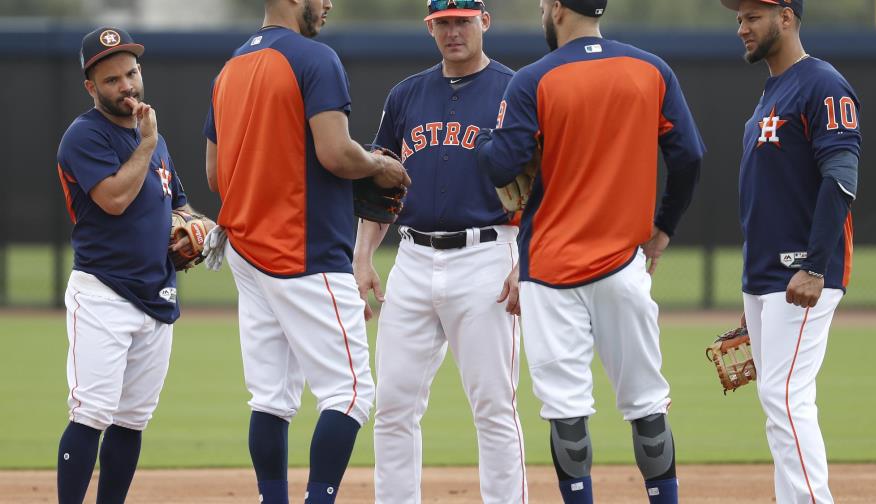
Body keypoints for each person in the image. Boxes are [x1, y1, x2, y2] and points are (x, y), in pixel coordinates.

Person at [476, 0, 706, 502]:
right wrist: (663, 226)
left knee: (567, 412)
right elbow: (689, 155)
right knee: (647, 405)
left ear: (557, 9)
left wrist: (489, 146)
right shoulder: (651, 69)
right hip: (625, 264)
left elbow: (501, 167)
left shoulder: (534, 80)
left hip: (551, 270)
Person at [203, 0, 410, 502]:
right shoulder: (315, 59)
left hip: (247, 250)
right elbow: (336, 154)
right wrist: (378, 168)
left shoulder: (230, 69)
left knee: (271, 398)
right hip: (303, 249)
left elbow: (214, 176)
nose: (329, 4)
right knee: (353, 394)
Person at [353, 0, 527, 502]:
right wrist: (364, 255)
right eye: (443, 23)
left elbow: (545, 186)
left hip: (488, 254)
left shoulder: (515, 90)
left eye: (463, 21)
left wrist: (528, 260)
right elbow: (378, 184)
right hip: (411, 257)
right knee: (392, 404)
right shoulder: (406, 94)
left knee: (494, 405)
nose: (453, 31)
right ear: (430, 28)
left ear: (484, 22)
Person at [55, 26, 214, 503]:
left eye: (131, 73)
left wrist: (193, 226)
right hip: (104, 293)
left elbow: (180, 203)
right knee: (92, 413)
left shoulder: (154, 139)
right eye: (111, 79)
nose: (126, 85)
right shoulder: (84, 137)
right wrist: (146, 142)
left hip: (155, 297)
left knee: (131, 419)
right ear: (91, 86)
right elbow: (116, 199)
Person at [720, 1, 861, 502]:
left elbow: (841, 180)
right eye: (738, 18)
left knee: (784, 396)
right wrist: (752, 286)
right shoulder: (771, 91)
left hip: (802, 274)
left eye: (752, 16)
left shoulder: (821, 82)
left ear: (785, 16)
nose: (742, 27)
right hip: (766, 278)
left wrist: (814, 265)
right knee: (777, 401)